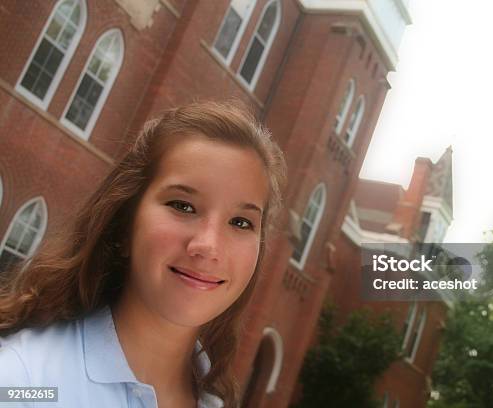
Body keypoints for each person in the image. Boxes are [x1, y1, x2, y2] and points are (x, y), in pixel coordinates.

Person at [0, 101, 287, 408]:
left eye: (241, 222)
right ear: (125, 222)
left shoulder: (212, 402)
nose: (208, 246)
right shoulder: (24, 382)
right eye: (182, 206)